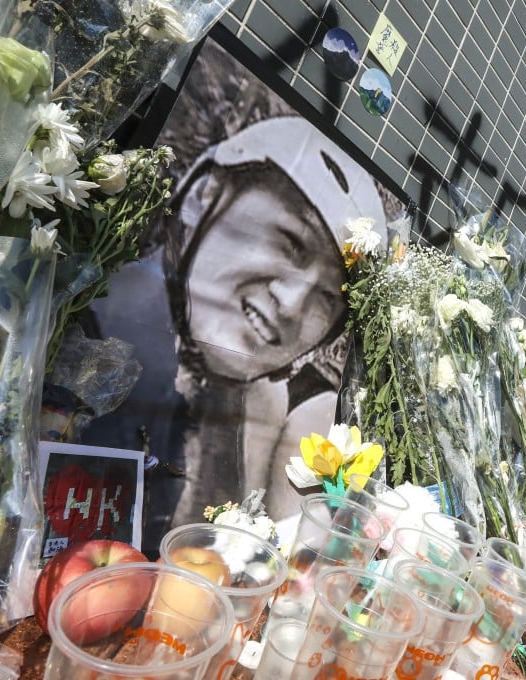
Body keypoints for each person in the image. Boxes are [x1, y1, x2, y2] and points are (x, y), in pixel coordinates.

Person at [83, 116, 390, 550]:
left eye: (325, 298)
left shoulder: (255, 406)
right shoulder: (83, 321)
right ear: (208, 192)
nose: (291, 304)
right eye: (289, 243)